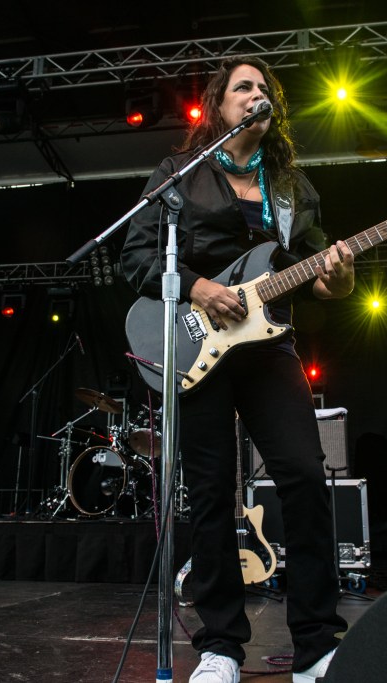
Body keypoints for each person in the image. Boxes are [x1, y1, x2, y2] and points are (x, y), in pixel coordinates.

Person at [122, 57, 352, 682]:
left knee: (304, 475)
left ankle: (317, 646)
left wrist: (341, 277)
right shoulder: (180, 174)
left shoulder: (293, 188)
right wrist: (196, 287)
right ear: (219, 107)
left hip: (270, 345)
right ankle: (220, 647)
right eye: (242, 88)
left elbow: (321, 278)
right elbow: (134, 256)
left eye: (263, 89)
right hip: (194, 346)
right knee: (209, 492)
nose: (255, 95)